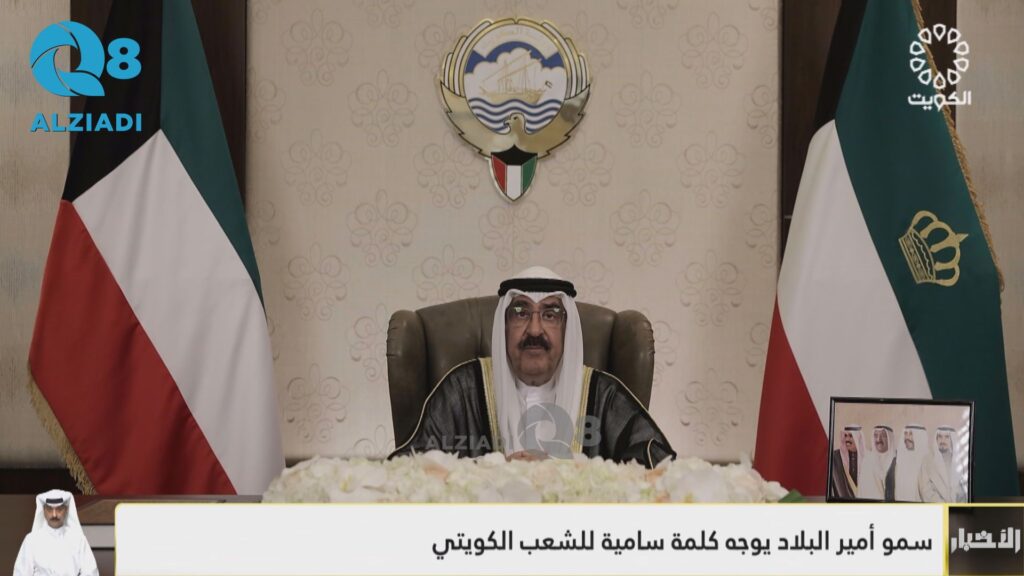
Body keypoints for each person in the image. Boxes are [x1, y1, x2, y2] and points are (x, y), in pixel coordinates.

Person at [390, 266, 675, 468]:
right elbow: (408, 467)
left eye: (550, 314)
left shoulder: (603, 395)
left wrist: (568, 472)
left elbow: (659, 464)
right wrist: (492, 471)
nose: (535, 329)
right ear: (503, 326)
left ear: (567, 329)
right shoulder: (463, 389)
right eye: (520, 313)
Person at [13, 489, 98, 576]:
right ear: (44, 510)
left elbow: (90, 572)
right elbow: (21, 573)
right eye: (49, 509)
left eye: (59, 509)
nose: (54, 515)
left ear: (66, 510)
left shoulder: (78, 539)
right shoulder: (31, 540)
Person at [918, 425, 968, 502]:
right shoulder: (927, 461)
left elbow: (964, 488)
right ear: (936, 439)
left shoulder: (959, 461)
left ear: (952, 440)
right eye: (940, 437)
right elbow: (925, 490)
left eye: (946, 437)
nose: (942, 441)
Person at [859, 425, 896, 501]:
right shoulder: (867, 461)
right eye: (876, 436)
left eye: (883, 436)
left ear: (890, 438)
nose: (878, 439)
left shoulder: (897, 461)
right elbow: (861, 491)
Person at [895, 424, 928, 501]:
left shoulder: (927, 461)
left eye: (911, 434)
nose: (907, 437)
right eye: (905, 434)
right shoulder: (899, 460)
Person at [829, 425, 864, 498]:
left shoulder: (868, 457)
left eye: (851, 436)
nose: (847, 439)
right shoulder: (835, 457)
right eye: (845, 436)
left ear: (858, 438)